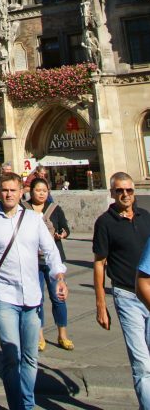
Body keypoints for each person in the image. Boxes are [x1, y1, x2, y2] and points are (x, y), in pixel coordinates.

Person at [0, 171, 67, 410]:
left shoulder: (34, 220)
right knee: (12, 356)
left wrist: (59, 276)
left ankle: (27, 402)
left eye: (13, 190)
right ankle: (19, 406)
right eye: (5, 190)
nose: (9, 194)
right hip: (4, 296)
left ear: (21, 191)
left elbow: (51, 251)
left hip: (32, 296)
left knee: (31, 357)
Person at [94, 171, 150, 408]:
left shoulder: (146, 217)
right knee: (142, 364)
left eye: (129, 190)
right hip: (127, 296)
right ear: (112, 193)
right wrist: (100, 305)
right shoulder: (105, 223)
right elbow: (99, 263)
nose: (125, 195)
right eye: (120, 191)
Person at [23, 178, 73, 351]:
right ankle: (39, 336)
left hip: (53, 260)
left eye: (45, 190)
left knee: (58, 297)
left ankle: (62, 334)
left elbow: (65, 228)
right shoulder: (23, 209)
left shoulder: (55, 209)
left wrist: (63, 233)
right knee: (37, 299)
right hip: (32, 261)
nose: (42, 193)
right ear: (31, 191)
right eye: (38, 190)